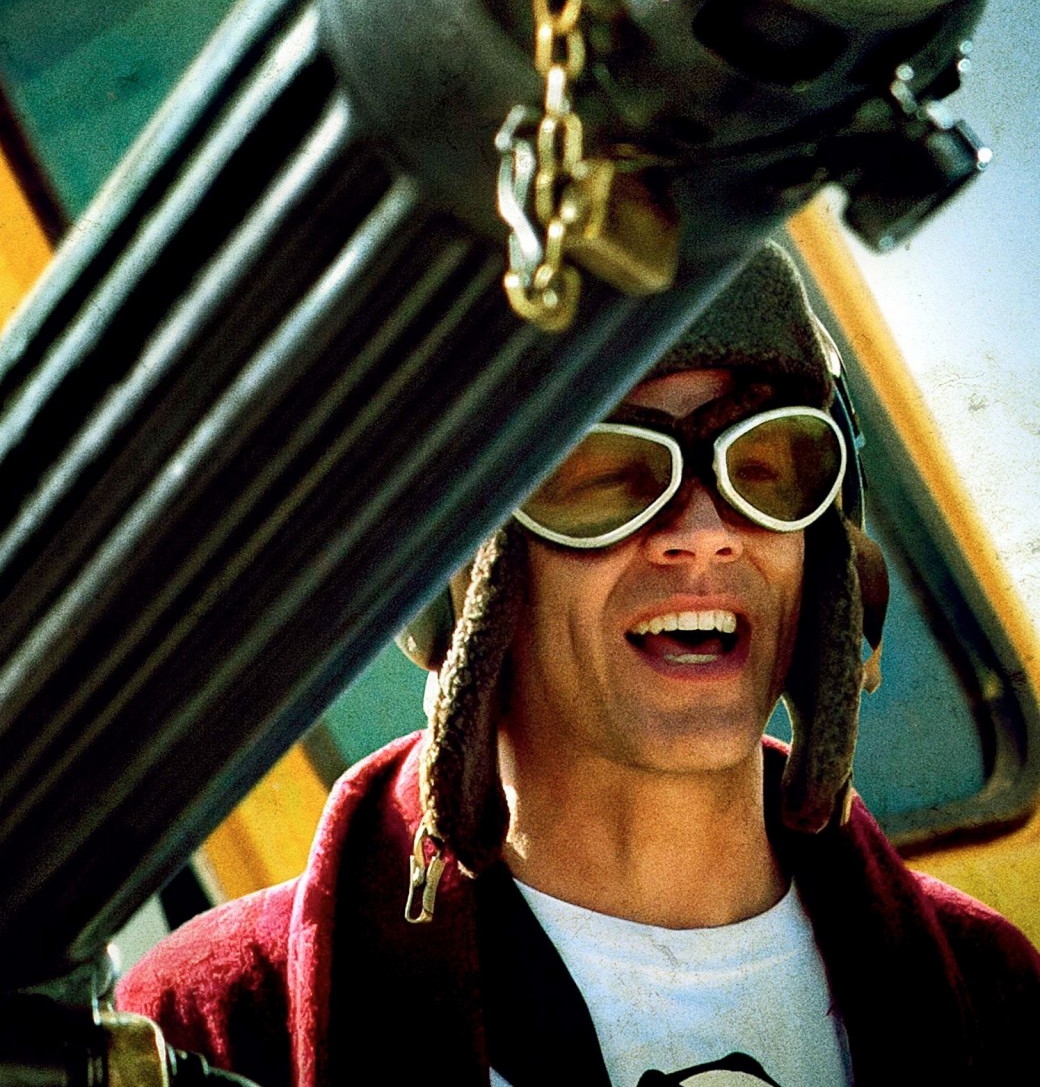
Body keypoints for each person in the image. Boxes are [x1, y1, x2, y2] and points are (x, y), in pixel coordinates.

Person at [121, 245, 1040, 1086]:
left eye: (764, 463)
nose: (704, 533)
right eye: (605, 473)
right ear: (462, 568)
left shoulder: (1001, 997)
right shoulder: (210, 1030)